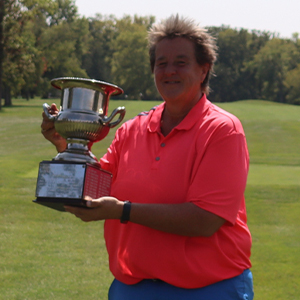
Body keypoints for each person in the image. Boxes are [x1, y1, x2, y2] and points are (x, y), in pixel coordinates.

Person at [41, 15, 254, 300]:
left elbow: (205, 220)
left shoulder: (223, 130)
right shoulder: (132, 130)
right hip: (132, 288)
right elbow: (95, 190)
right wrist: (67, 147)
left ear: (204, 70)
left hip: (209, 289)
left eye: (181, 62)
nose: (169, 71)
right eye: (161, 63)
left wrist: (122, 211)